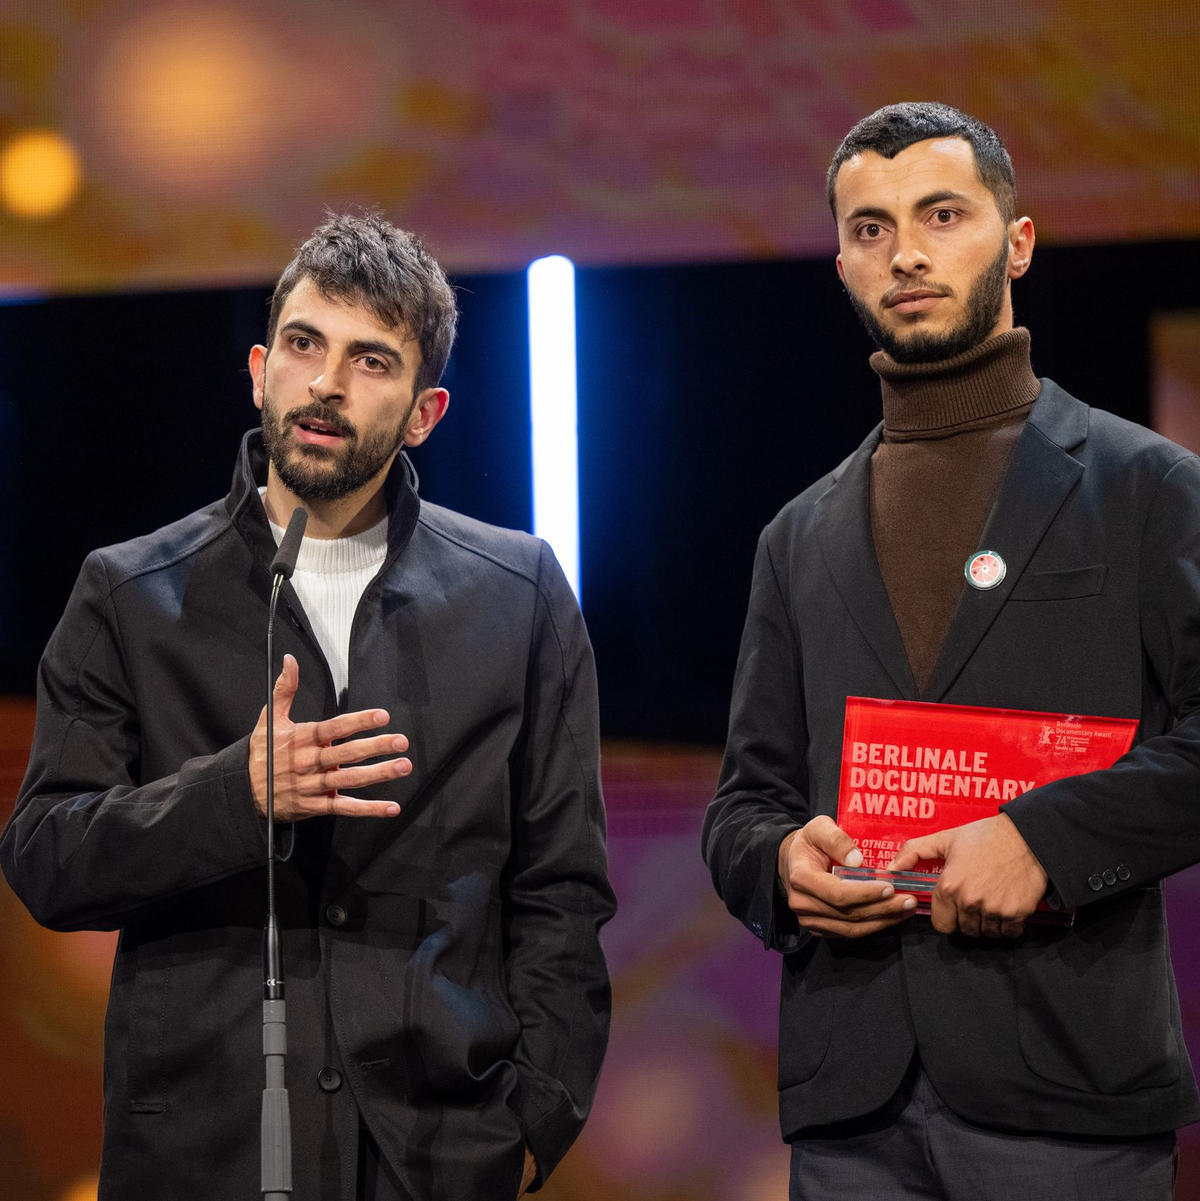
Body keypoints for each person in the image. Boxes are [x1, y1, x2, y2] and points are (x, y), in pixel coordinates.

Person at [1, 212, 615, 1201]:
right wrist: (231, 796)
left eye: (371, 360)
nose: (327, 382)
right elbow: (46, 859)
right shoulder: (128, 592)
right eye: (303, 344)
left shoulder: (519, 593)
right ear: (259, 370)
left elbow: (563, 887)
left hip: (434, 1156)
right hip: (203, 1157)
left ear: (425, 412)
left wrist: (534, 1121)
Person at [703, 102, 1198, 1199]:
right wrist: (781, 866)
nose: (907, 254)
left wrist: (1043, 841)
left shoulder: (1147, 487)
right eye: (870, 228)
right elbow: (745, 802)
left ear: (1017, 242)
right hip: (852, 1106)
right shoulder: (798, 534)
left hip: (1068, 1090)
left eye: (941, 215)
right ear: (843, 263)